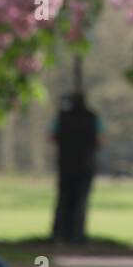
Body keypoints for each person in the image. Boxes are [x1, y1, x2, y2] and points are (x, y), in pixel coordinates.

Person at [49, 91, 105, 244]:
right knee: (81, 201)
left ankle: (59, 235)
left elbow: (52, 136)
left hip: (66, 165)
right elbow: (100, 140)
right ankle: (77, 235)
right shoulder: (93, 118)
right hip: (86, 166)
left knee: (63, 200)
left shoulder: (62, 117)